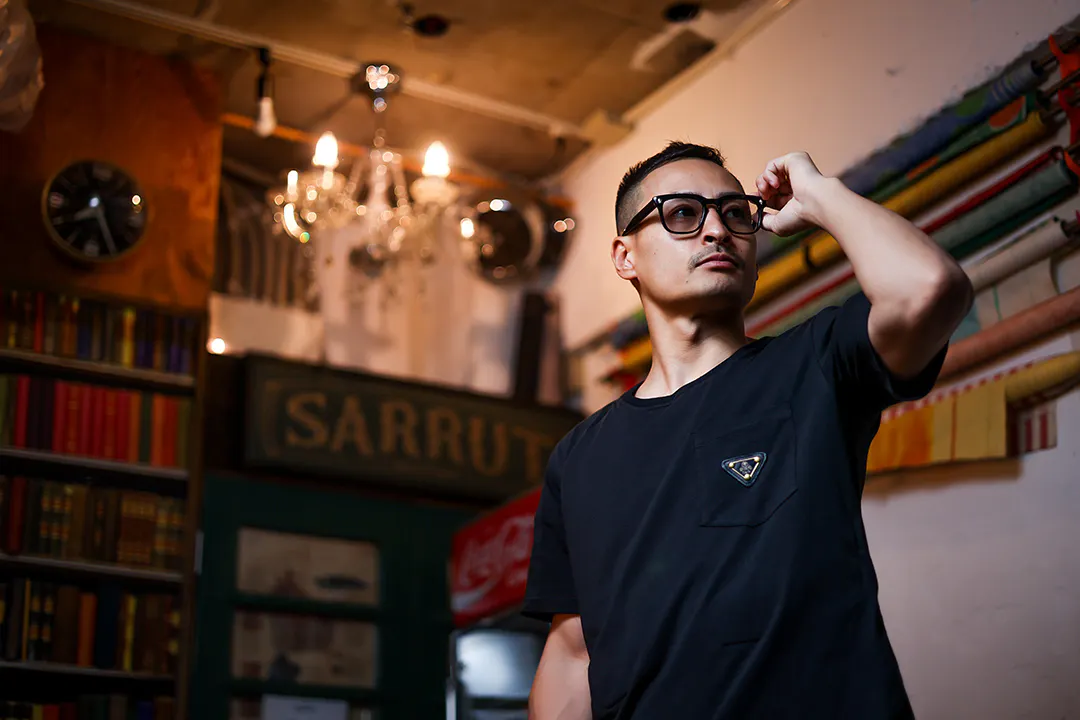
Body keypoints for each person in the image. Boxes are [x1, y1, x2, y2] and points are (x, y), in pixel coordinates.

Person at [523, 141, 973, 719]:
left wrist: (820, 193)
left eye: (736, 214)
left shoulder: (814, 364)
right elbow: (572, 655)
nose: (717, 230)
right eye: (682, 213)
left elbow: (929, 289)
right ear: (624, 256)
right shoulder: (579, 458)